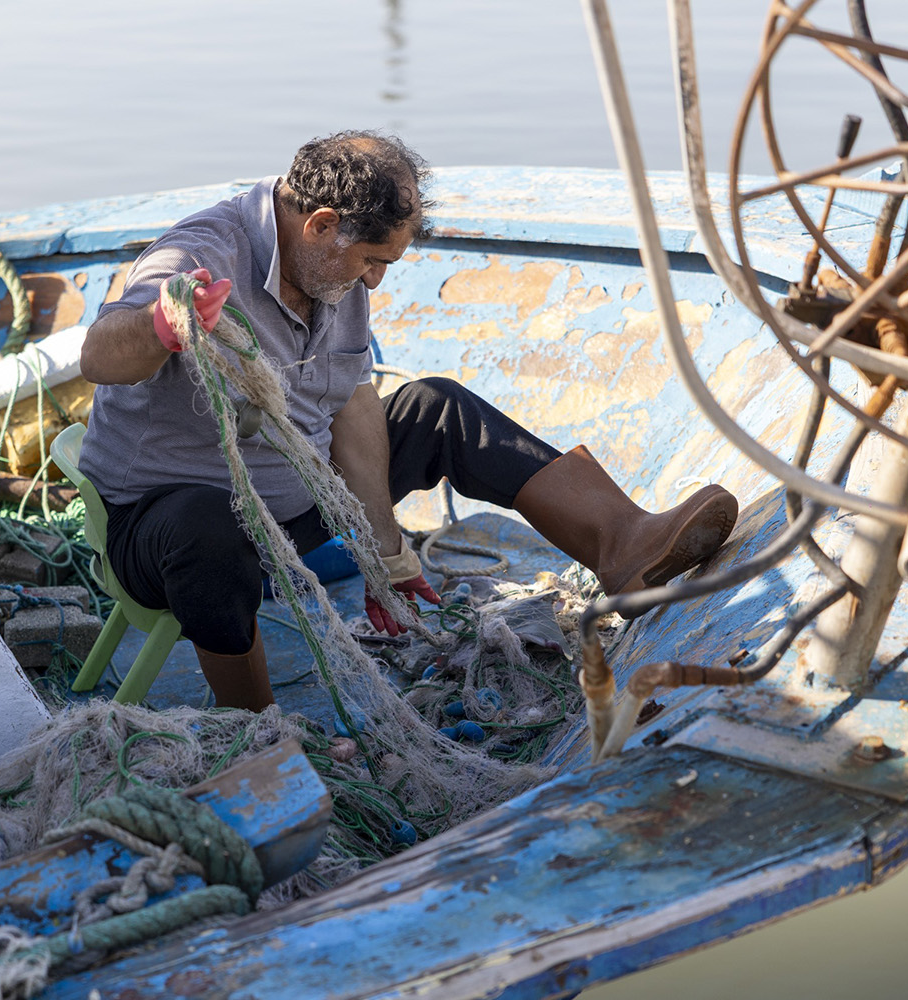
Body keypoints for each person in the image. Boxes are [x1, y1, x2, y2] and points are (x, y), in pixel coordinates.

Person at [78, 131, 738, 711]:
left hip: (294, 506)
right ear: (321, 224)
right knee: (207, 530)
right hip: (164, 536)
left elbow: (352, 406)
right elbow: (99, 356)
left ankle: (623, 545)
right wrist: (165, 322)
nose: (376, 283)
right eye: (372, 261)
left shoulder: (331, 276)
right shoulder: (201, 252)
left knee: (439, 406)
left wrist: (386, 556)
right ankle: (257, 731)